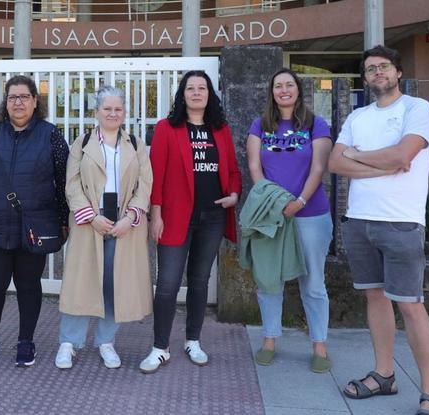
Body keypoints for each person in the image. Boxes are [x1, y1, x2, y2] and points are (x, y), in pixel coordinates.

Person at [329, 45, 429, 415]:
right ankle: (384, 374)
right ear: (365, 78)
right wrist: (380, 164)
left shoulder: (416, 109)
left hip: (401, 221)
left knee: (410, 305)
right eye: (371, 69)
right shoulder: (357, 116)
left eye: (384, 67)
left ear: (398, 72)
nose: (377, 73)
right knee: (375, 299)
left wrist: (357, 155)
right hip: (359, 220)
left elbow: (402, 156)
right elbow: (334, 162)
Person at [140, 70, 242, 374]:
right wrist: (155, 214)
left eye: (202, 88)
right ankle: (160, 347)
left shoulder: (221, 130)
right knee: (168, 285)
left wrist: (234, 194)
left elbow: (234, 170)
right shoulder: (166, 129)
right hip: (174, 216)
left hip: (212, 217)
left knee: (199, 282)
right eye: (190, 88)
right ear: (182, 95)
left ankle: (193, 340)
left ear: (209, 94)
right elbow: (155, 175)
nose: (196, 92)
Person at [0, 75, 69, 368]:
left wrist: (64, 221)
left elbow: (63, 182)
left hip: (34, 226)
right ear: (5, 103)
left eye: (24, 97)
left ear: (36, 102)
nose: (18, 102)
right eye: (13, 97)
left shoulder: (51, 136)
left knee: (28, 285)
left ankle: (26, 341)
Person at [55, 86, 153, 370]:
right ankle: (68, 342)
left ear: (124, 113)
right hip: (89, 222)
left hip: (123, 223)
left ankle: (106, 341)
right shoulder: (82, 142)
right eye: (107, 108)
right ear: (96, 112)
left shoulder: (136, 144)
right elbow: (71, 183)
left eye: (118, 109)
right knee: (81, 282)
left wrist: (131, 218)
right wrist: (90, 215)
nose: (113, 113)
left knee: (113, 283)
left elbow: (145, 184)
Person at [246, 68, 334, 373]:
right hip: (273, 216)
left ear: (298, 89)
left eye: (289, 85)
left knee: (313, 282)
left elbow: (319, 167)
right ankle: (270, 340)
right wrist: (272, 201)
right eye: (278, 86)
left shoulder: (315, 124)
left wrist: (300, 201)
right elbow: (254, 167)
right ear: (272, 92)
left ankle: (319, 345)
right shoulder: (260, 125)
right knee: (269, 279)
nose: (283, 90)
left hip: (311, 214)